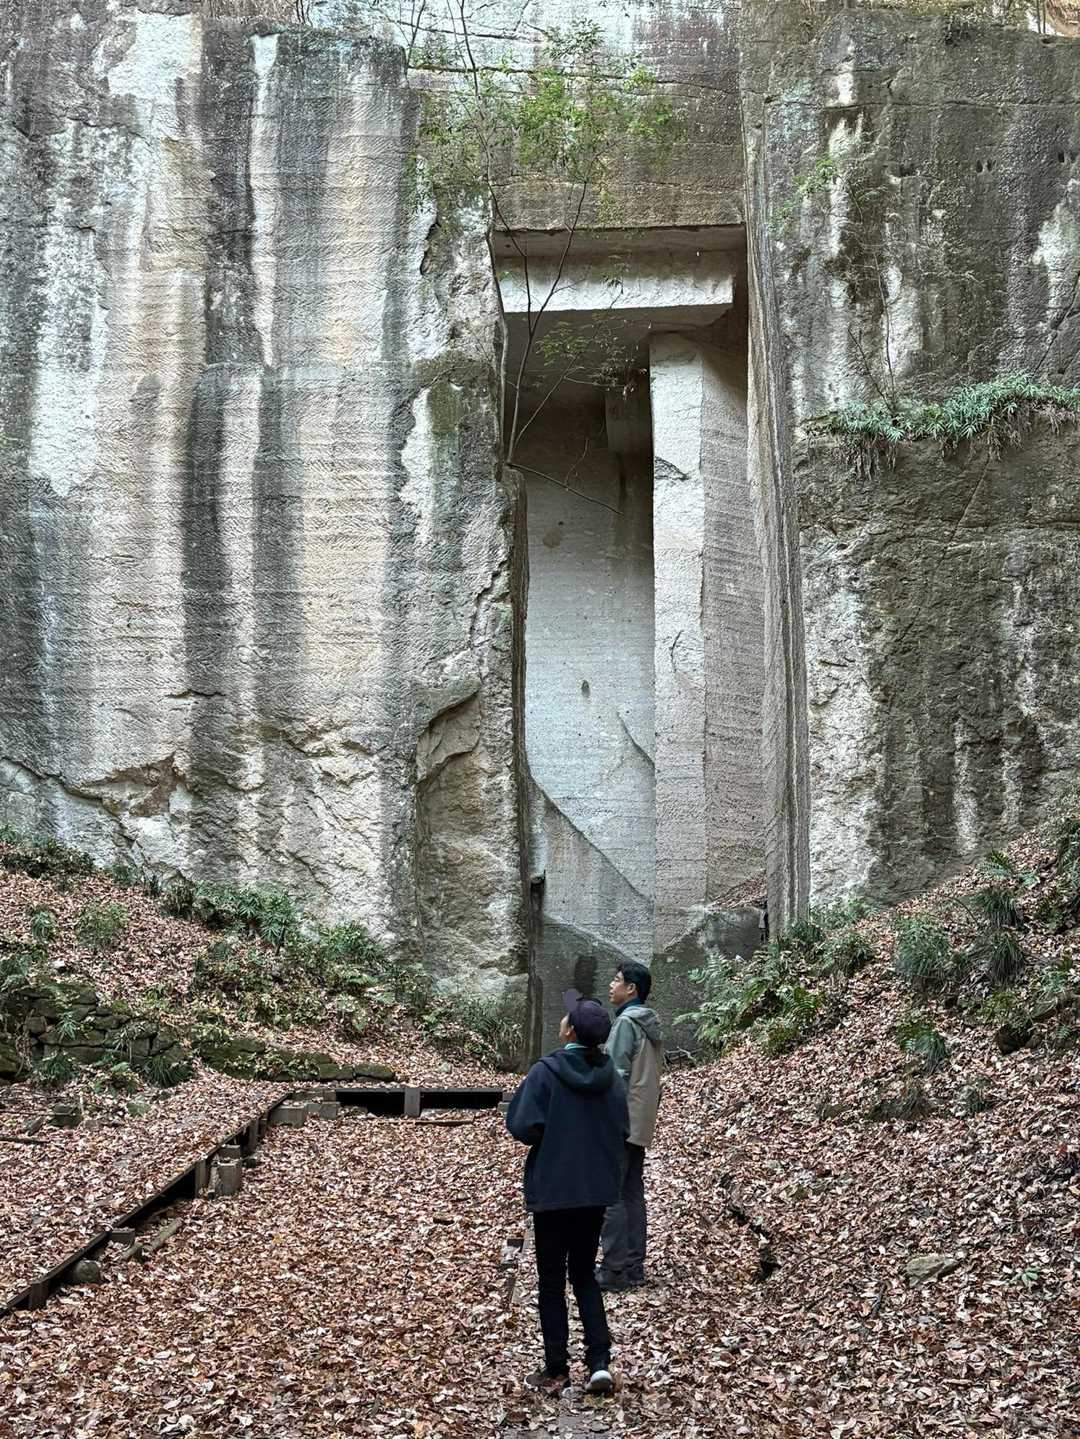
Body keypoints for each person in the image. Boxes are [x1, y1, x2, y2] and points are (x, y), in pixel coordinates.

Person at [506, 989, 628, 1397]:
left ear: (570, 1030)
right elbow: (622, 1129)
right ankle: (599, 1363)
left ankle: (557, 1368)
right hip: (594, 1191)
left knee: (551, 1279)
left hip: (554, 1189)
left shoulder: (546, 1072)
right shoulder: (611, 1077)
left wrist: (552, 1134)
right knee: (584, 1275)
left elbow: (522, 1125)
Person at [597, 961, 664, 1291]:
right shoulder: (649, 1024)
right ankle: (634, 1266)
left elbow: (615, 1075)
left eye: (616, 980)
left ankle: (614, 1270)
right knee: (632, 1192)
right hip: (640, 1120)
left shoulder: (626, 1022)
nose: (611, 985)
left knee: (611, 1194)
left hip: (621, 1119)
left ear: (632, 989)